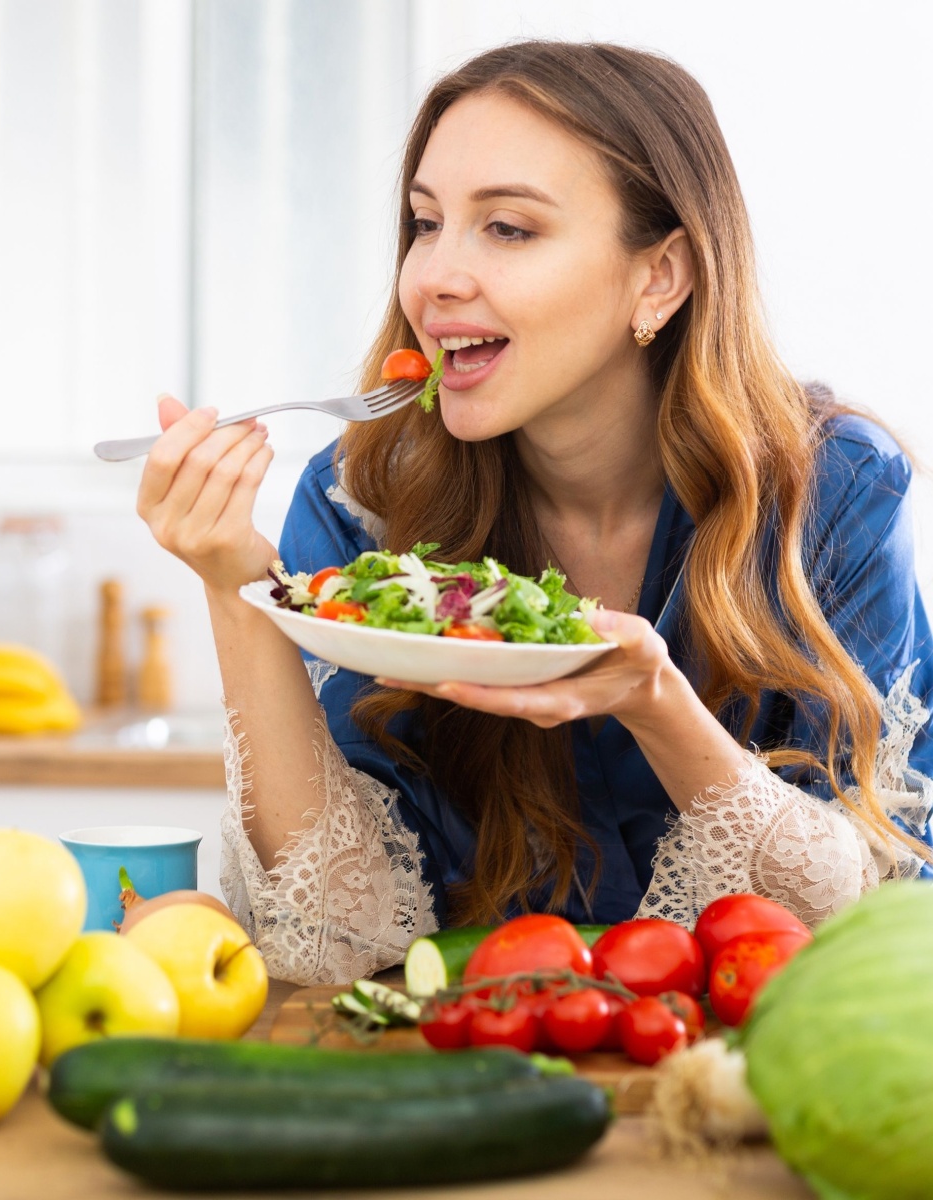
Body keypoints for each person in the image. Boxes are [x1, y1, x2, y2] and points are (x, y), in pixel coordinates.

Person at [137, 41, 933, 986]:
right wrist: (235, 580)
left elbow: (874, 925)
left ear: (660, 277)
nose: (434, 276)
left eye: (508, 229)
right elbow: (337, 938)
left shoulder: (830, 490)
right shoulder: (365, 506)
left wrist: (656, 704)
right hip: (462, 1062)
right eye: (426, 223)